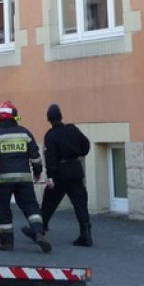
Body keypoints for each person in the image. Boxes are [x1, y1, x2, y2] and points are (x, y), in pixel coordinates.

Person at [25, 103, 93, 247]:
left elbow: (50, 157)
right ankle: (85, 234)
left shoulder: (51, 135)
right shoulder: (72, 129)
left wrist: (50, 177)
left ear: (49, 119)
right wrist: (76, 154)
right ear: (61, 116)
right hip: (75, 171)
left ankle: (39, 229)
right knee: (80, 205)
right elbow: (86, 146)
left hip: (59, 174)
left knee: (49, 203)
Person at [0, 101, 51, 253]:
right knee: (31, 206)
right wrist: (37, 173)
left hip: (3, 179)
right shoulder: (24, 133)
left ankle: (6, 243)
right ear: (14, 116)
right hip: (24, 177)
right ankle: (38, 233)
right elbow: (35, 157)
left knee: (3, 209)